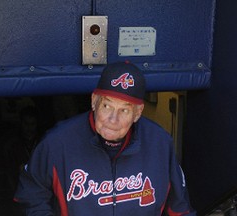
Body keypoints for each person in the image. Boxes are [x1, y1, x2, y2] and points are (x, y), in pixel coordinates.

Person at [14, 62, 196, 215]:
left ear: (138, 113)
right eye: (107, 106)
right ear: (94, 101)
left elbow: (179, 209)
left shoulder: (160, 143)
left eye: (124, 110)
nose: (113, 120)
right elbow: (30, 196)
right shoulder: (57, 143)